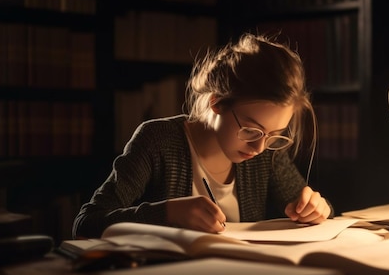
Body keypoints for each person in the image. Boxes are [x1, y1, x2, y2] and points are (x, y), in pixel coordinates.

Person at [72, 33, 333, 239]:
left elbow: (316, 210)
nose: (260, 146)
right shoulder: (158, 140)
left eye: (274, 135)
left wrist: (316, 209)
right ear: (216, 103)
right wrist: (169, 212)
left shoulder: (265, 154)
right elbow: (87, 223)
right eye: (251, 130)